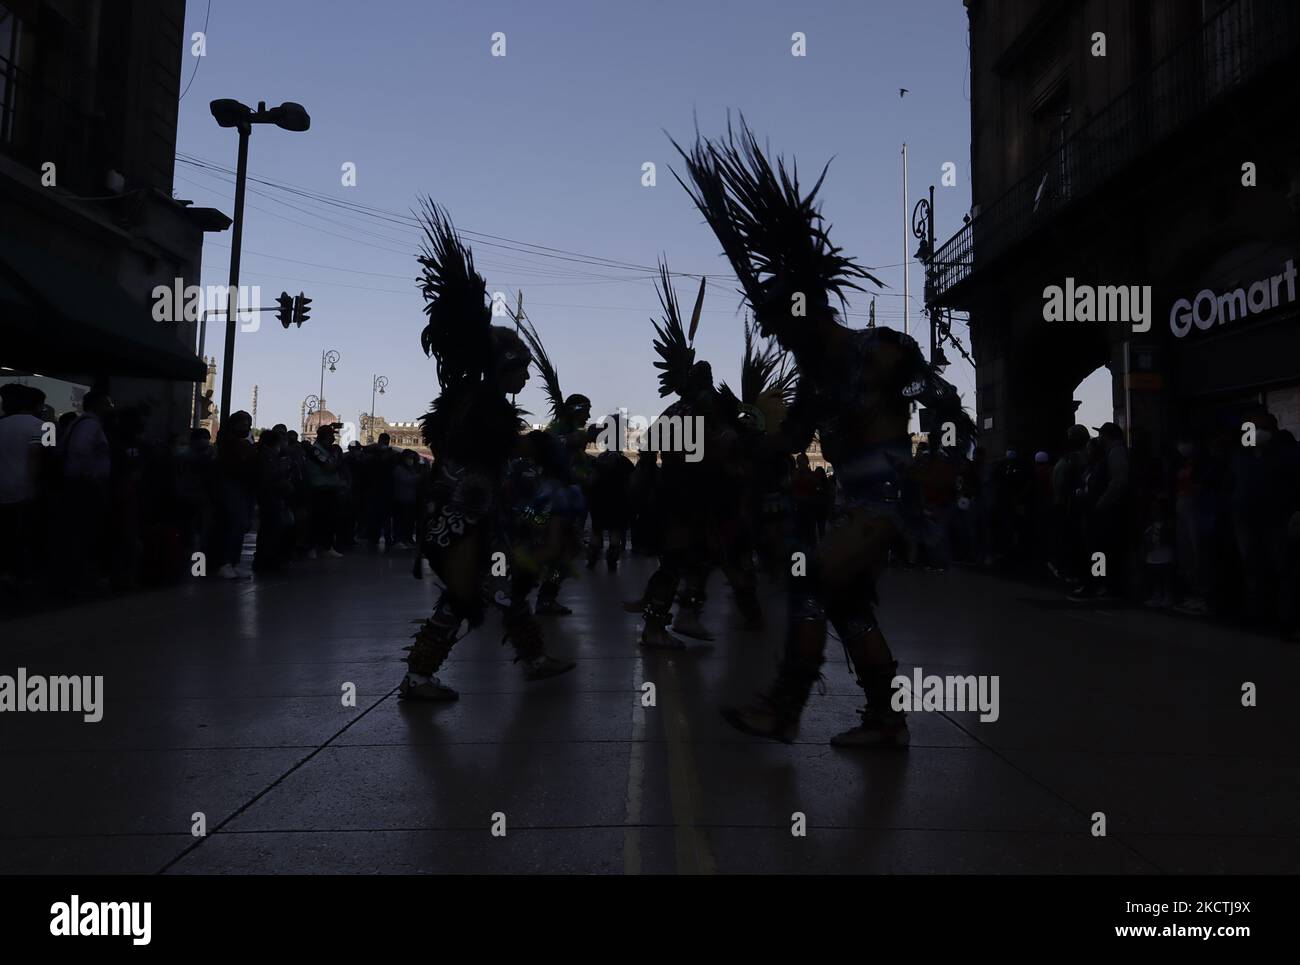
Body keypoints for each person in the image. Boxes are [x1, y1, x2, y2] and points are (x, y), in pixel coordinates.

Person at [675, 121, 974, 746]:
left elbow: (946, 407)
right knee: (846, 605)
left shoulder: (884, 354)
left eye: (787, 329)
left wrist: (945, 459)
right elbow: (785, 446)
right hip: (851, 505)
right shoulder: (814, 383)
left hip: (890, 502)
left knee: (810, 582)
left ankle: (784, 711)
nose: (784, 342)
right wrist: (738, 443)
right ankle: (886, 720)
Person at [399, 204, 574, 701]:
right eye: (520, 371)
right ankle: (419, 677)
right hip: (457, 517)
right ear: (503, 368)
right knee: (472, 593)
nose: (525, 380)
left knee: (501, 586)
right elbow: (474, 453)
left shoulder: (478, 400)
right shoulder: (481, 404)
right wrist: (539, 449)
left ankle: (532, 658)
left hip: (474, 514)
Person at [0, 384, 47, 586]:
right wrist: (35, 484)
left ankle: (6, 571)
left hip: (3, 486)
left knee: (6, 533)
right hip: (26, 487)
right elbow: (43, 456)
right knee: (27, 534)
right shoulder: (45, 426)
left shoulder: (2, 424)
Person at [211, 410, 257, 579]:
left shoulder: (244, 442)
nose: (247, 428)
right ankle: (225, 563)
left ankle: (233, 562)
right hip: (231, 486)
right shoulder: (229, 442)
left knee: (242, 525)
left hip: (244, 487)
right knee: (235, 524)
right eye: (243, 424)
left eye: (248, 425)